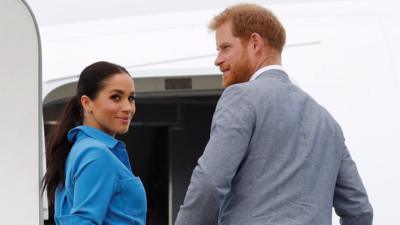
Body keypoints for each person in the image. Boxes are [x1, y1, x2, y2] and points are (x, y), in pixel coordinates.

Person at [175, 3, 373, 225]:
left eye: (225, 47)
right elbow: (359, 210)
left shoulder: (241, 98)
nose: (217, 59)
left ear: (254, 43)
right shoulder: (326, 121)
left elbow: (209, 183)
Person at [41, 61, 147, 225]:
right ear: (87, 103)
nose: (128, 107)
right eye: (115, 97)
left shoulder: (81, 148)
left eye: (131, 98)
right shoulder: (95, 153)